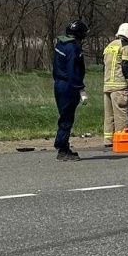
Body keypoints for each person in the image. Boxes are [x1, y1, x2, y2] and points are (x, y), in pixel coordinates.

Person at [52, 20, 88, 162]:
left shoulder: (60, 44)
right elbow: (73, 70)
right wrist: (80, 88)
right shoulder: (73, 48)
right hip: (69, 85)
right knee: (67, 118)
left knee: (64, 115)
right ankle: (62, 148)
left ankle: (63, 145)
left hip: (59, 83)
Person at [102, 22, 128, 147]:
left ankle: (108, 139)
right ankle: (121, 141)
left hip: (107, 86)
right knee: (121, 115)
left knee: (109, 115)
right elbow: (126, 66)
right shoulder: (126, 47)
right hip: (120, 87)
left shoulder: (109, 46)